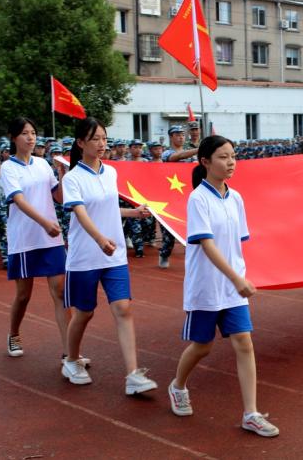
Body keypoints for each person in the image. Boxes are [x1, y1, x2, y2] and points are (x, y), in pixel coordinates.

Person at [168, 135, 279, 438]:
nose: (230, 162)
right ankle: (178, 386)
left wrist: (239, 276)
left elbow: (236, 245)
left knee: (244, 342)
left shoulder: (236, 198)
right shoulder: (197, 198)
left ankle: (251, 414)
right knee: (202, 346)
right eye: (223, 157)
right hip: (207, 286)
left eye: (233, 156)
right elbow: (207, 244)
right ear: (205, 162)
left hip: (232, 287)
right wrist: (236, 277)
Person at [61, 117, 157, 394]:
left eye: (104, 138)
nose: (102, 144)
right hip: (85, 256)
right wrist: (100, 239)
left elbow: (107, 209)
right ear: (80, 143)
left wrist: (133, 212)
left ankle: (133, 375)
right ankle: (71, 360)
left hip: (114, 255)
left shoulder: (110, 172)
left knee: (123, 308)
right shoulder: (73, 178)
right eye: (95, 139)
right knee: (84, 313)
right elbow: (81, 213)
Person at [0, 117, 72, 359]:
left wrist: (63, 176)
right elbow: (19, 201)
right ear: (13, 138)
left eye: (33, 133)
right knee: (23, 295)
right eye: (24, 133)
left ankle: (69, 352)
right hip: (25, 239)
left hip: (50, 238)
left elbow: (60, 197)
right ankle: (13, 333)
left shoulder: (43, 165)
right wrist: (44, 223)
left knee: (61, 292)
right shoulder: (8, 167)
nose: (31, 137)